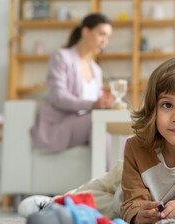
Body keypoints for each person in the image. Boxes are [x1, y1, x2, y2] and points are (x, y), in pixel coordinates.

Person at [19, 56, 175, 224]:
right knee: (99, 190)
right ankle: (54, 202)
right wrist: (137, 213)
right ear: (153, 108)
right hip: (131, 177)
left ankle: (61, 204)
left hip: (154, 190)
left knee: (109, 207)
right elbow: (134, 203)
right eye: (167, 105)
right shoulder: (136, 146)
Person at [31, 13, 114, 152]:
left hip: (85, 122)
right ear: (85, 31)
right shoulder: (61, 57)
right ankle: (109, 174)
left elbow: (97, 99)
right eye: (101, 34)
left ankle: (123, 173)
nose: (105, 42)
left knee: (121, 133)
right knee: (97, 123)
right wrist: (93, 104)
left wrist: (104, 103)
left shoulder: (96, 69)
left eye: (108, 37)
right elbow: (59, 97)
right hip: (60, 124)